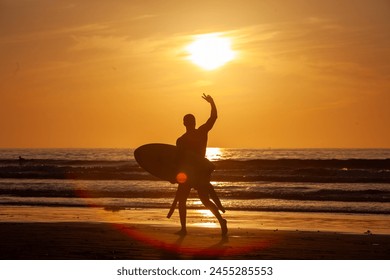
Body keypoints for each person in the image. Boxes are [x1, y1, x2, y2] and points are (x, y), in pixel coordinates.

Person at [172, 94, 227, 236]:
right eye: (188, 122)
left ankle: (221, 221)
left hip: (200, 172)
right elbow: (177, 160)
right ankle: (183, 228)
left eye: (192, 121)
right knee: (182, 201)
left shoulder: (201, 132)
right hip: (186, 173)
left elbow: (213, 118)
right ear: (184, 123)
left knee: (205, 200)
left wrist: (212, 102)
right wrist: (175, 176)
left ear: (194, 122)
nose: (190, 124)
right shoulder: (181, 140)